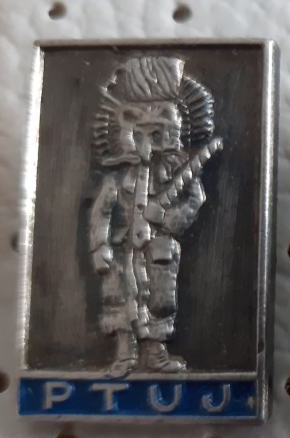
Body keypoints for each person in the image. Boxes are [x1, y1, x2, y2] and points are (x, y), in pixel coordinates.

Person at [89, 56, 217, 377]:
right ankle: (124, 355)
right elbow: (102, 210)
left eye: (158, 128)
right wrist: (100, 245)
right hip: (121, 250)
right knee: (119, 298)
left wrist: (167, 218)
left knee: (159, 300)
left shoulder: (178, 171)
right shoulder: (118, 177)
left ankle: (156, 353)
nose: (148, 139)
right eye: (139, 128)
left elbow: (196, 199)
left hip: (159, 249)